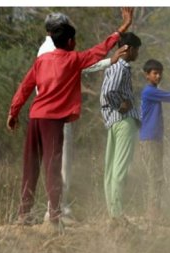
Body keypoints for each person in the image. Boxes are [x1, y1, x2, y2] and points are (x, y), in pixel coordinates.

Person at [8, 8, 136, 229]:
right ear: (69, 41)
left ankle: (24, 214)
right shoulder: (73, 59)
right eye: (74, 39)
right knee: (52, 168)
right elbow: (98, 51)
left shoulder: (42, 60)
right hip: (52, 121)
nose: (76, 42)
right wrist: (120, 30)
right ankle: (55, 216)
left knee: (31, 166)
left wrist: (14, 111)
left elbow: (26, 85)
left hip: (35, 117)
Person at [37, 12, 118, 222]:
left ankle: (57, 209)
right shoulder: (52, 50)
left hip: (51, 112)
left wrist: (109, 61)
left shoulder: (50, 49)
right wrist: (110, 59)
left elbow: (83, 65)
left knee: (59, 162)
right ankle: (56, 211)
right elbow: (84, 63)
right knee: (59, 163)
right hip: (56, 113)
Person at [139, 59, 170, 217]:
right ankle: (153, 213)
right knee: (156, 177)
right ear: (147, 75)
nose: (158, 76)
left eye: (160, 73)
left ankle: (154, 211)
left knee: (157, 176)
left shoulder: (152, 91)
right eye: (155, 73)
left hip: (154, 139)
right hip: (149, 140)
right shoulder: (149, 91)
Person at [100, 31, 143, 222]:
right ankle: (117, 215)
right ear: (129, 49)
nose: (137, 54)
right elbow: (110, 92)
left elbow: (106, 92)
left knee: (111, 170)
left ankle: (113, 213)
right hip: (124, 121)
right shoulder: (122, 67)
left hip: (113, 121)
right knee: (120, 169)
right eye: (137, 50)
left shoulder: (112, 66)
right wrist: (120, 104)